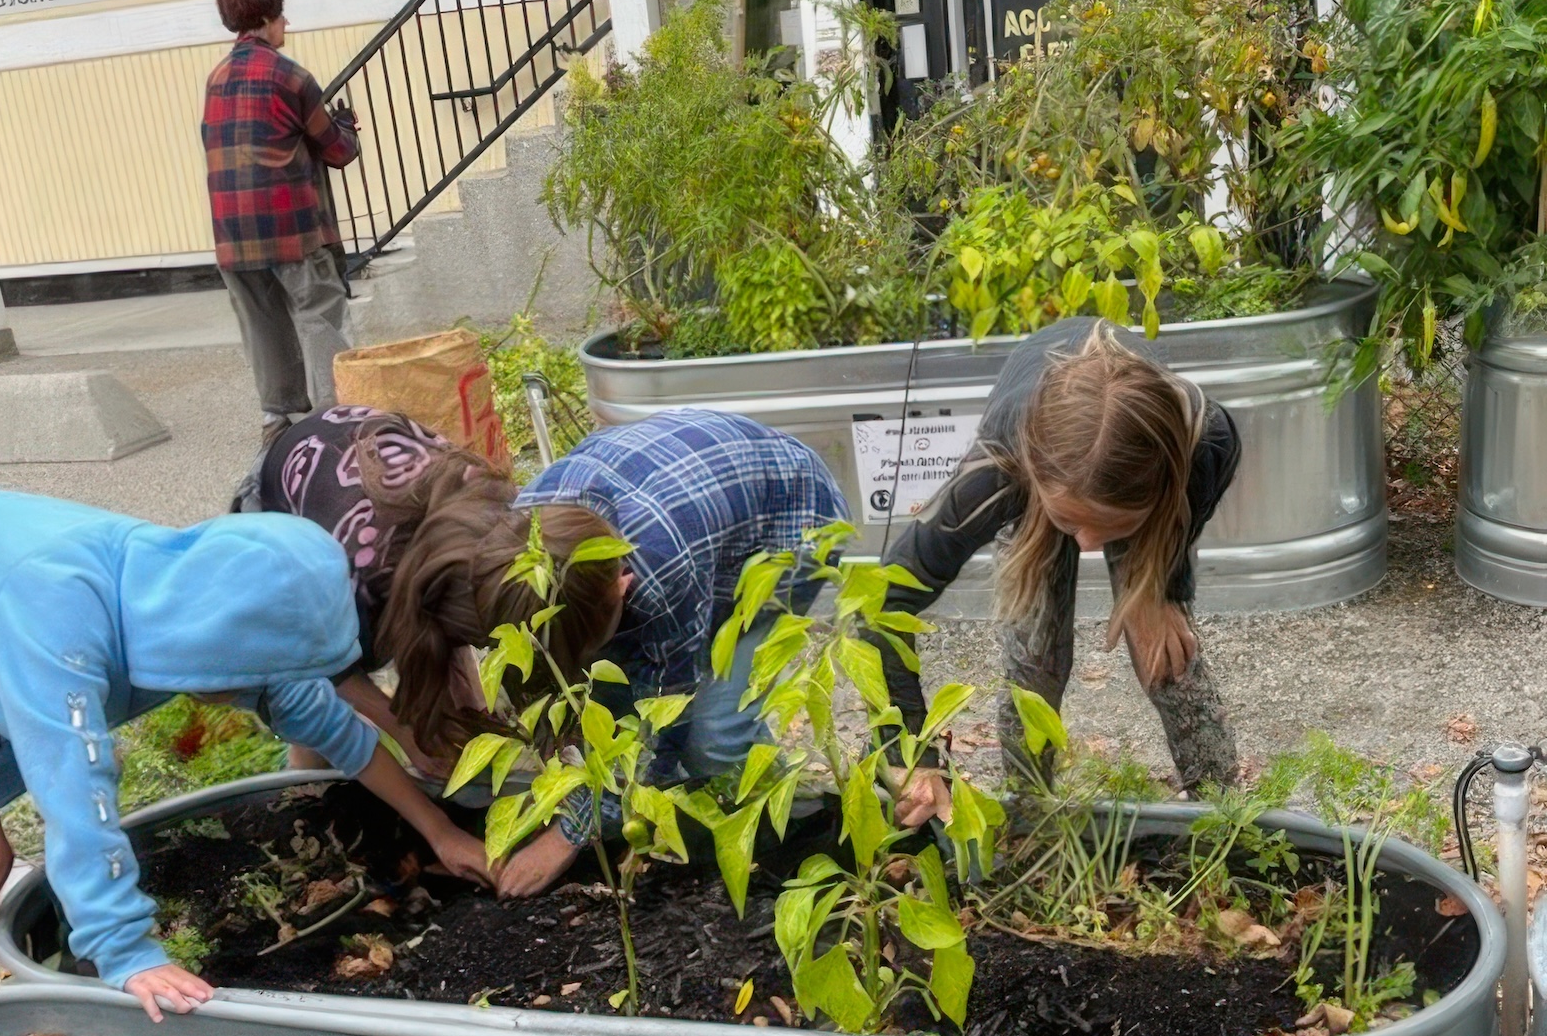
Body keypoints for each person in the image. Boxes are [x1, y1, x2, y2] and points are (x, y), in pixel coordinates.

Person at [0, 490, 492, 1021]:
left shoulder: (197, 606)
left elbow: (332, 726)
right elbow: (75, 791)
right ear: (219, 649)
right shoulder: (61, 632)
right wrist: (126, 951)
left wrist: (439, 830)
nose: (266, 685)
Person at [886, 318, 1242, 826]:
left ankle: (1226, 819)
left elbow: (1188, 511)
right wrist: (912, 753)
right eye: (1075, 525)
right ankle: (1028, 814)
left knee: (1167, 652)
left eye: (1110, 529)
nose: (1092, 547)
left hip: (1139, 475)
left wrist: (1161, 587)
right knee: (1037, 663)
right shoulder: (995, 477)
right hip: (1036, 478)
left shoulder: (1207, 439)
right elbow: (885, 601)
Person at [495, 409, 849, 896]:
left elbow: (666, 714)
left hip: (794, 521)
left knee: (715, 731)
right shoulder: (527, 534)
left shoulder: (659, 575)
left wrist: (571, 835)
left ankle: (781, 849)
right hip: (694, 503)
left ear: (623, 587)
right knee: (617, 695)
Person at [240, 403, 592, 772]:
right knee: (316, 715)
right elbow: (326, 664)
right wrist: (406, 734)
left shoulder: (501, 519)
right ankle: (307, 779)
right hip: (286, 490)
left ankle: (464, 724)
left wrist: (482, 719)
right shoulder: (357, 579)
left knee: (456, 699)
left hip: (396, 504)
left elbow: (460, 621)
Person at [202, 0, 359, 441]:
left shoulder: (215, 80)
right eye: (282, 15)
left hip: (233, 236)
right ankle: (332, 424)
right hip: (291, 230)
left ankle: (279, 421)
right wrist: (347, 126)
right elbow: (337, 150)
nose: (286, 24)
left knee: (263, 325)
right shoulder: (291, 78)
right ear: (268, 17)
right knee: (320, 314)